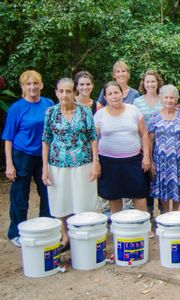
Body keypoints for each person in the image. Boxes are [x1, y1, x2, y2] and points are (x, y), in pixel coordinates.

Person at [41, 78, 100, 249]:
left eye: (68, 91)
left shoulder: (84, 112)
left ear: (74, 92)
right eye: (62, 91)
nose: (65, 95)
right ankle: (65, 237)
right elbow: (46, 140)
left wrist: (96, 162)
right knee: (60, 200)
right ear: (56, 93)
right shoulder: (50, 112)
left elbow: (92, 137)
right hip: (57, 163)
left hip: (83, 163)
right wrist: (45, 167)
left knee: (83, 200)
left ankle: (83, 235)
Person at [3, 70, 54, 248]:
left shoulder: (48, 104)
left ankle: (47, 227)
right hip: (22, 155)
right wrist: (9, 164)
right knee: (20, 195)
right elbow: (8, 137)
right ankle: (16, 232)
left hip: (44, 156)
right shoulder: (16, 108)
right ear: (23, 87)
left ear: (41, 85)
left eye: (35, 83)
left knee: (47, 192)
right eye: (28, 84)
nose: (32, 87)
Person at [94, 82, 151, 214]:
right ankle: (118, 226)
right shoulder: (100, 114)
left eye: (116, 92)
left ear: (122, 94)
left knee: (139, 194)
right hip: (108, 162)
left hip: (133, 160)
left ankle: (143, 226)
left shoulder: (133, 110)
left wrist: (146, 156)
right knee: (114, 196)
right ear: (106, 97)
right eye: (110, 94)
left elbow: (144, 133)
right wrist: (95, 160)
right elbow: (94, 140)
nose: (114, 96)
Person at [148, 85, 180, 213]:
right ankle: (166, 214)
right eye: (166, 97)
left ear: (176, 99)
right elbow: (150, 140)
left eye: (172, 97)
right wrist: (150, 160)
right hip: (160, 161)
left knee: (178, 186)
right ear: (161, 99)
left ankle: (176, 213)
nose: (169, 100)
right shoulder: (154, 116)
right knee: (163, 188)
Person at [133, 70, 164, 217]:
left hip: (163, 145)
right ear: (143, 84)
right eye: (147, 82)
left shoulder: (164, 99)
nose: (150, 84)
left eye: (153, 81)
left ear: (158, 83)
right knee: (146, 178)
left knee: (162, 176)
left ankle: (164, 211)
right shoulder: (137, 102)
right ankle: (149, 211)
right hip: (143, 145)